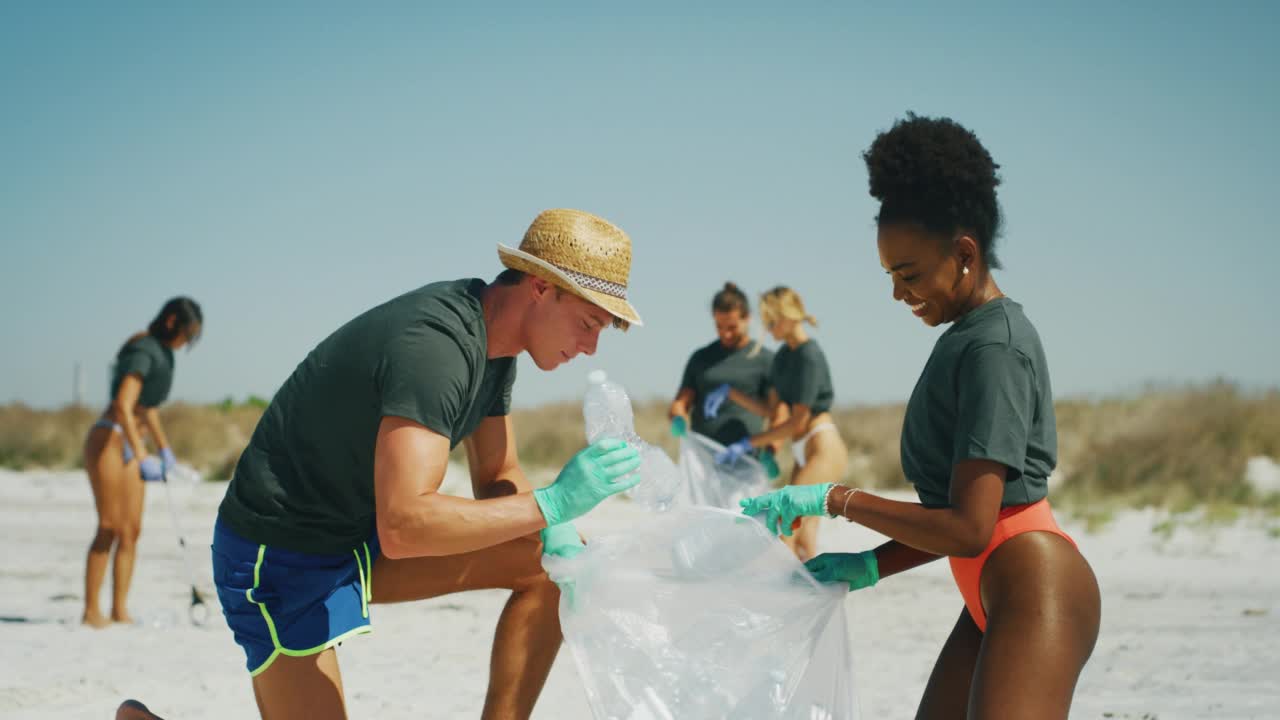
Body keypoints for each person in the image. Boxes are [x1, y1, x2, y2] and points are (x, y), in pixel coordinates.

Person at [212, 208, 645, 720]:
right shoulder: (437, 348)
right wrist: (551, 503)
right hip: (280, 554)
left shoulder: (496, 348)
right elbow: (405, 526)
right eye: (589, 322)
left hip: (356, 541)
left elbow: (496, 474)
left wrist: (559, 529)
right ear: (539, 287)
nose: (592, 346)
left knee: (548, 567)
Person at [740, 114, 1101, 719]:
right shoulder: (966, 337)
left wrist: (836, 499)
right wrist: (871, 565)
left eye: (909, 274)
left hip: (1035, 587)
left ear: (965, 252)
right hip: (992, 586)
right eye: (890, 275)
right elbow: (957, 517)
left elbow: (970, 527)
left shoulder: (996, 347)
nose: (898, 293)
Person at [82, 297, 203, 628]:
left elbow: (147, 408)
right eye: (188, 334)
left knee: (131, 531)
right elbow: (123, 403)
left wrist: (165, 450)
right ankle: (91, 610)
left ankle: (119, 609)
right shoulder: (144, 350)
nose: (188, 342)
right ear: (171, 322)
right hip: (110, 439)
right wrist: (141, 454)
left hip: (134, 443)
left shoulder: (164, 357)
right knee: (108, 526)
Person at [708, 286, 847, 561]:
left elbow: (797, 423)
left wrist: (749, 443)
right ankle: (806, 600)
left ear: (790, 316)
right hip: (802, 451)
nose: (768, 328)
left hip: (821, 446)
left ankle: (794, 598)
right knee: (803, 539)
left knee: (786, 526)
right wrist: (731, 394)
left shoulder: (809, 356)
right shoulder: (783, 356)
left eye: (772, 321)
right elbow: (773, 411)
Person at [667, 282, 784, 465]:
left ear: (747, 319)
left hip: (746, 461)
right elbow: (681, 403)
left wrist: (771, 451)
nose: (725, 334)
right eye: (719, 327)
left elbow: (779, 414)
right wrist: (678, 419)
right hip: (703, 462)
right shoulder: (701, 358)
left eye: (732, 327)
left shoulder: (766, 361)